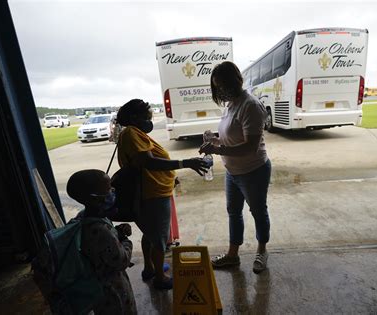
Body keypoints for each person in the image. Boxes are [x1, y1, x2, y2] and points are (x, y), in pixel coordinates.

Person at [116, 99, 208, 290]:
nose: (149, 120)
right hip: (153, 195)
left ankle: (150, 268)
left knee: (150, 234)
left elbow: (151, 162)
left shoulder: (135, 133)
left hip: (156, 191)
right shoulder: (131, 133)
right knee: (159, 238)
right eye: (146, 116)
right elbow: (149, 163)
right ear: (135, 117)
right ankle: (160, 277)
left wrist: (170, 176)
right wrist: (185, 163)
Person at [199, 61, 271, 274]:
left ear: (236, 80)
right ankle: (233, 255)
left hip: (253, 170)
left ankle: (262, 250)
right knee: (233, 212)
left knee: (258, 211)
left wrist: (218, 150)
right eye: (217, 86)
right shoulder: (231, 105)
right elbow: (230, 137)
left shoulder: (250, 105)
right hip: (233, 172)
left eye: (223, 84)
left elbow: (250, 146)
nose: (220, 89)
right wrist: (215, 138)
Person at [66, 169, 137, 314]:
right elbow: (121, 260)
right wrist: (125, 240)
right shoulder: (100, 230)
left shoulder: (83, 218)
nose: (113, 190)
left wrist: (117, 231)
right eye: (109, 188)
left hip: (97, 285)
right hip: (111, 290)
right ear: (94, 198)